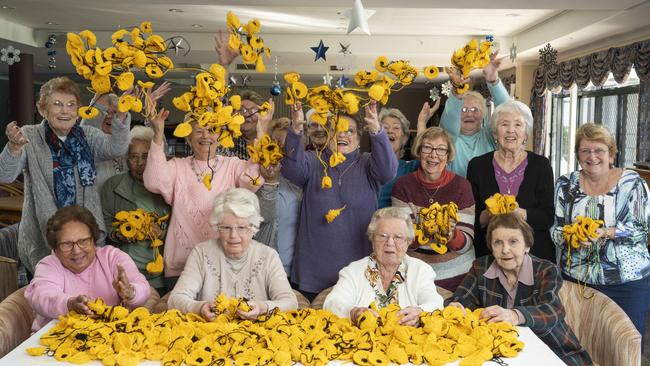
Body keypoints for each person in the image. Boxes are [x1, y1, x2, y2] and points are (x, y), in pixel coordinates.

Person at [0, 76, 131, 275]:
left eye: (71, 105)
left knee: (85, 294)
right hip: (42, 236)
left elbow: (116, 148)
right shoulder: (30, 136)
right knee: (48, 297)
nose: (65, 111)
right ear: (42, 108)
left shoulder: (89, 135)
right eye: (57, 104)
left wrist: (121, 117)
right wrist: (14, 148)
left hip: (84, 236)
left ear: (78, 110)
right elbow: (6, 175)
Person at [282, 101, 397, 300]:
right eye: (336, 129)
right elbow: (291, 169)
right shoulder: (313, 161)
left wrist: (377, 131)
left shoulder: (369, 164)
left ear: (359, 140)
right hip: (313, 273)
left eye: (350, 131)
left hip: (358, 273)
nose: (343, 134)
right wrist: (296, 129)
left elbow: (388, 170)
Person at [143, 103, 263, 292]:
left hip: (224, 264)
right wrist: (158, 134)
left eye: (212, 130)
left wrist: (261, 134)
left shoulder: (232, 165)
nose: (206, 136)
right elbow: (154, 181)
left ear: (220, 136)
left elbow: (253, 182)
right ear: (189, 138)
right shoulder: (177, 166)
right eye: (199, 131)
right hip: (181, 266)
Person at [448, 213, 592, 365]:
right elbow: (459, 299)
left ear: (527, 246)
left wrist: (514, 315)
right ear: (491, 246)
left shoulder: (546, 270)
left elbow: (552, 309)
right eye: (498, 242)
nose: (505, 250)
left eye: (513, 241)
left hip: (553, 350)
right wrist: (456, 307)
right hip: (506, 354)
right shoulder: (480, 267)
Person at [551, 122, 650, 343]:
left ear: (611, 154)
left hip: (626, 284)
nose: (592, 156)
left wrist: (605, 232)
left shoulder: (632, 183)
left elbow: (643, 230)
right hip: (576, 282)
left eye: (599, 150)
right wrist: (571, 236)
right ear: (577, 155)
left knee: (623, 347)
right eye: (585, 150)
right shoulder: (565, 184)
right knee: (580, 345)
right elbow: (555, 229)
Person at [167, 188, 298, 320]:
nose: (233, 236)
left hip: (257, 335)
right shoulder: (201, 253)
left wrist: (262, 307)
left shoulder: (268, 256)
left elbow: (291, 302)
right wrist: (200, 307)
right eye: (226, 228)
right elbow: (175, 299)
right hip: (209, 335)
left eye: (241, 228)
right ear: (217, 227)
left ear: (253, 228)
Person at [24, 205, 150, 331]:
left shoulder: (112, 257)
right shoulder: (49, 265)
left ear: (94, 241)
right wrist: (70, 304)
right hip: (55, 339)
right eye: (66, 244)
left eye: (83, 241)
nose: (77, 250)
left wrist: (131, 292)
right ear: (55, 249)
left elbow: (143, 288)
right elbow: (41, 296)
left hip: (108, 338)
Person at [323, 207, 444, 325]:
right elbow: (332, 303)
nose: (390, 243)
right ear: (372, 239)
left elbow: (435, 302)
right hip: (364, 341)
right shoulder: (353, 271)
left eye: (398, 237)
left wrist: (420, 312)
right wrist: (354, 313)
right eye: (383, 236)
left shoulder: (421, 270)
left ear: (408, 242)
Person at [467, 100, 555, 261]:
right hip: (489, 254)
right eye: (504, 124)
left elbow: (547, 217)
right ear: (495, 133)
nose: (511, 131)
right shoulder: (477, 166)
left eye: (518, 125)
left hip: (534, 255)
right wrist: (488, 214)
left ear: (526, 133)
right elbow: (470, 217)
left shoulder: (541, 165)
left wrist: (519, 214)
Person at [392, 127, 475, 292]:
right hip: (415, 278)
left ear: (448, 155)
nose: (433, 155)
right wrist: (434, 227)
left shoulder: (462, 186)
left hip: (458, 279)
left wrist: (449, 234)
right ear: (419, 151)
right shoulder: (403, 186)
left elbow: (466, 243)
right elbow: (401, 242)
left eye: (441, 149)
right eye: (427, 147)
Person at [100, 126, 170, 294]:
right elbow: (105, 222)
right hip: (126, 273)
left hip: (162, 274)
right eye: (133, 157)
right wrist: (118, 234)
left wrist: (160, 233)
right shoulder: (112, 186)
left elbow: (182, 228)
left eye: (146, 156)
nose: (139, 163)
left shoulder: (168, 185)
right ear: (126, 159)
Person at [81, 83, 171, 190]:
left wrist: (152, 120)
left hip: (127, 203)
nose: (109, 116)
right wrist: (97, 103)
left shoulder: (130, 143)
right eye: (104, 112)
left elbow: (159, 155)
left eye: (115, 112)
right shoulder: (90, 145)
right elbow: (85, 132)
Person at [434, 53, 510, 177]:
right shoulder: (450, 138)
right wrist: (458, 92)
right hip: (456, 195)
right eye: (463, 110)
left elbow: (507, 114)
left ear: (483, 114)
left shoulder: (489, 135)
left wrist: (492, 78)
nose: (469, 114)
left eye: (475, 110)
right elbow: (450, 117)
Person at [254, 117, 302, 277]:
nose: (282, 149)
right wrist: (269, 181)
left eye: (289, 143)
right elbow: (259, 220)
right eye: (277, 143)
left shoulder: (303, 180)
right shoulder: (256, 178)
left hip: (295, 273)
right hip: (262, 270)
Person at [377, 102, 439, 208]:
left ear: (404, 139)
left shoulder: (410, 169)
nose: (390, 131)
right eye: (385, 128)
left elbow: (426, 157)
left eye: (396, 128)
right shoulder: (365, 163)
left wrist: (421, 123)